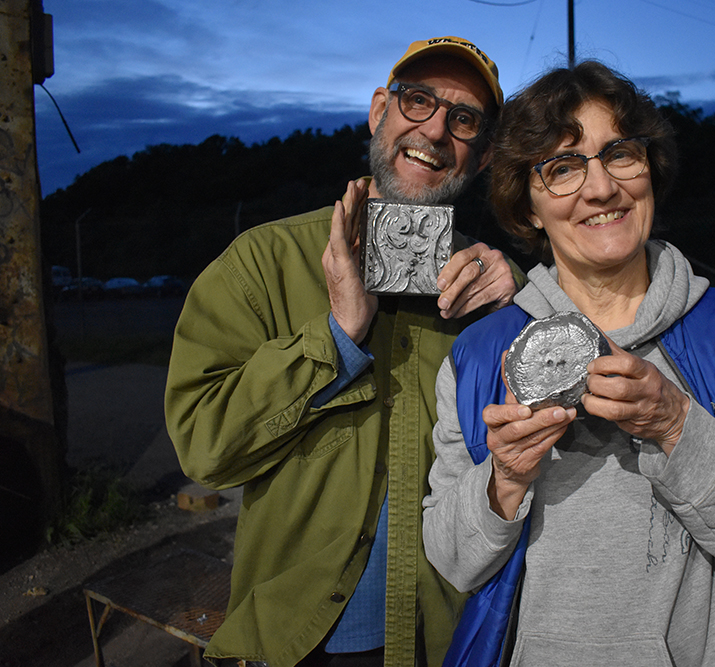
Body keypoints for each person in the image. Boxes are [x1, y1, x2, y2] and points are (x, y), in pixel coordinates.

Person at [422, 61, 715, 666]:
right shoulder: (479, 357)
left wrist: (678, 425)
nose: (601, 189)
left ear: (649, 168)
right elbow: (452, 561)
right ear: (529, 207)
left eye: (619, 154)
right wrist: (505, 481)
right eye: (562, 168)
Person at [165, 37, 520, 667]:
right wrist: (336, 336)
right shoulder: (262, 262)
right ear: (380, 109)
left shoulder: (492, 289)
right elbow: (204, 446)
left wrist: (520, 316)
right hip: (303, 640)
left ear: (484, 152)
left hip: (445, 639)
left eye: (463, 119)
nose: (435, 130)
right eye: (418, 102)